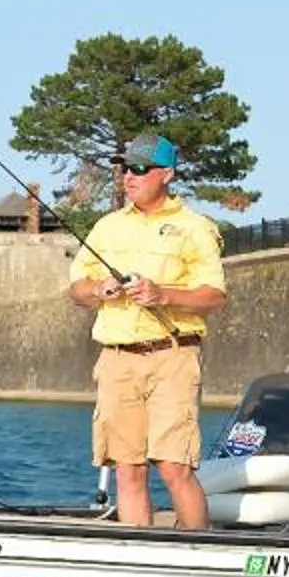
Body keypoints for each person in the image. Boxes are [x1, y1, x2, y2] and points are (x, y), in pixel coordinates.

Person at [65, 133, 228, 527]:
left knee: (174, 467)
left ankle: (197, 556)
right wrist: (98, 290)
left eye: (140, 169)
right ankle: (136, 553)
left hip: (172, 356)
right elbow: (76, 289)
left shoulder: (195, 228)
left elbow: (214, 297)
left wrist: (162, 294)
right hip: (117, 360)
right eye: (125, 169)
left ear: (167, 174)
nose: (129, 177)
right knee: (129, 469)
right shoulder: (107, 227)